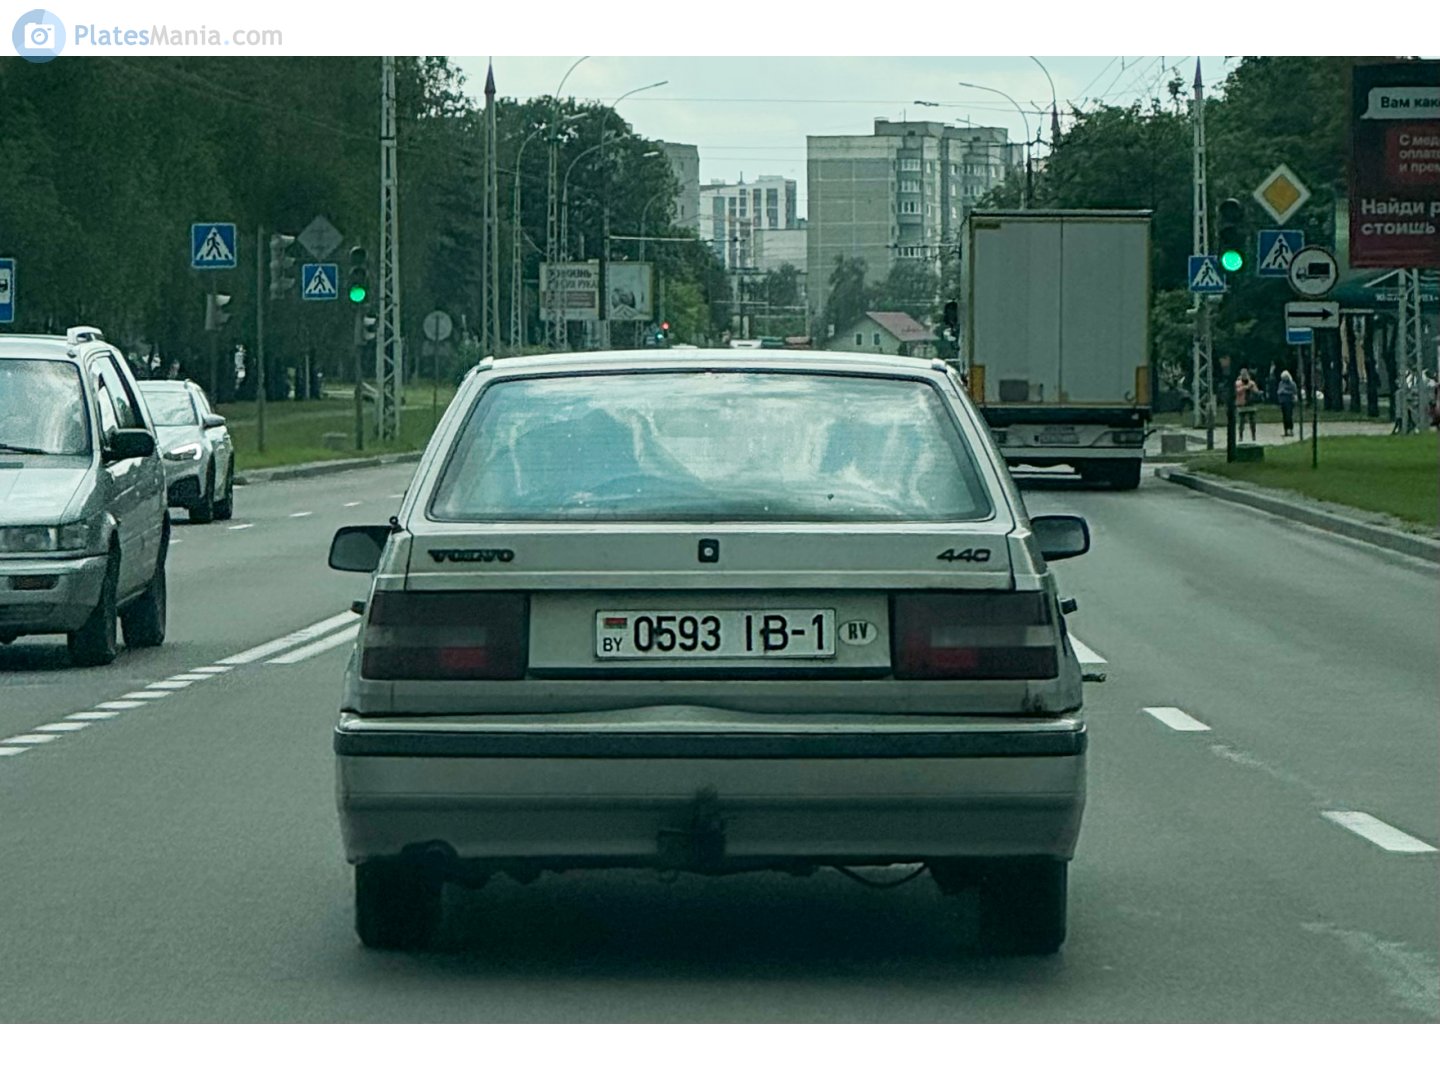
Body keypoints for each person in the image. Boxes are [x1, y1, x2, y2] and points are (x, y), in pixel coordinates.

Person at [1234, 366, 1260, 441]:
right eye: (1243, 375)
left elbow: (1256, 392)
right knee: (1241, 422)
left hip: (1251, 404)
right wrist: (1245, 387)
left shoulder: (1251, 383)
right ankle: (1240, 436)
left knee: (1253, 421)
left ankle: (1253, 435)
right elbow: (1237, 391)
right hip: (1241, 404)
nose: (1245, 376)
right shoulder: (1238, 383)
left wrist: (1253, 389)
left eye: (1246, 374)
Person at [1276, 369, 1298, 436]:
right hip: (1283, 401)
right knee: (1284, 417)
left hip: (1289, 402)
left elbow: (1294, 392)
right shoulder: (1281, 383)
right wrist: (1280, 392)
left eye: (1284, 378)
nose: (1283, 379)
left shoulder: (1292, 384)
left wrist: (1285, 391)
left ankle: (1290, 430)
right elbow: (1279, 391)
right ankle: (1285, 430)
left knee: (1289, 416)